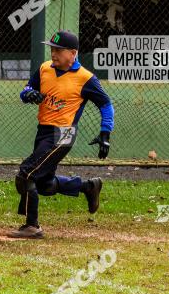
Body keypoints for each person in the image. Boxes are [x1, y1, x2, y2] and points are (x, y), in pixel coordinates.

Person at [10, 30, 114, 239]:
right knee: (44, 184)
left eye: (58, 50)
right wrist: (28, 94)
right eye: (52, 49)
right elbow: (26, 89)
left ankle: (32, 226)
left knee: (27, 173)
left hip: (64, 133)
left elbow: (106, 104)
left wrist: (105, 132)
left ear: (73, 53)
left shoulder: (85, 78)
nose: (53, 54)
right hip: (44, 131)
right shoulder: (44, 69)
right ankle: (88, 187)